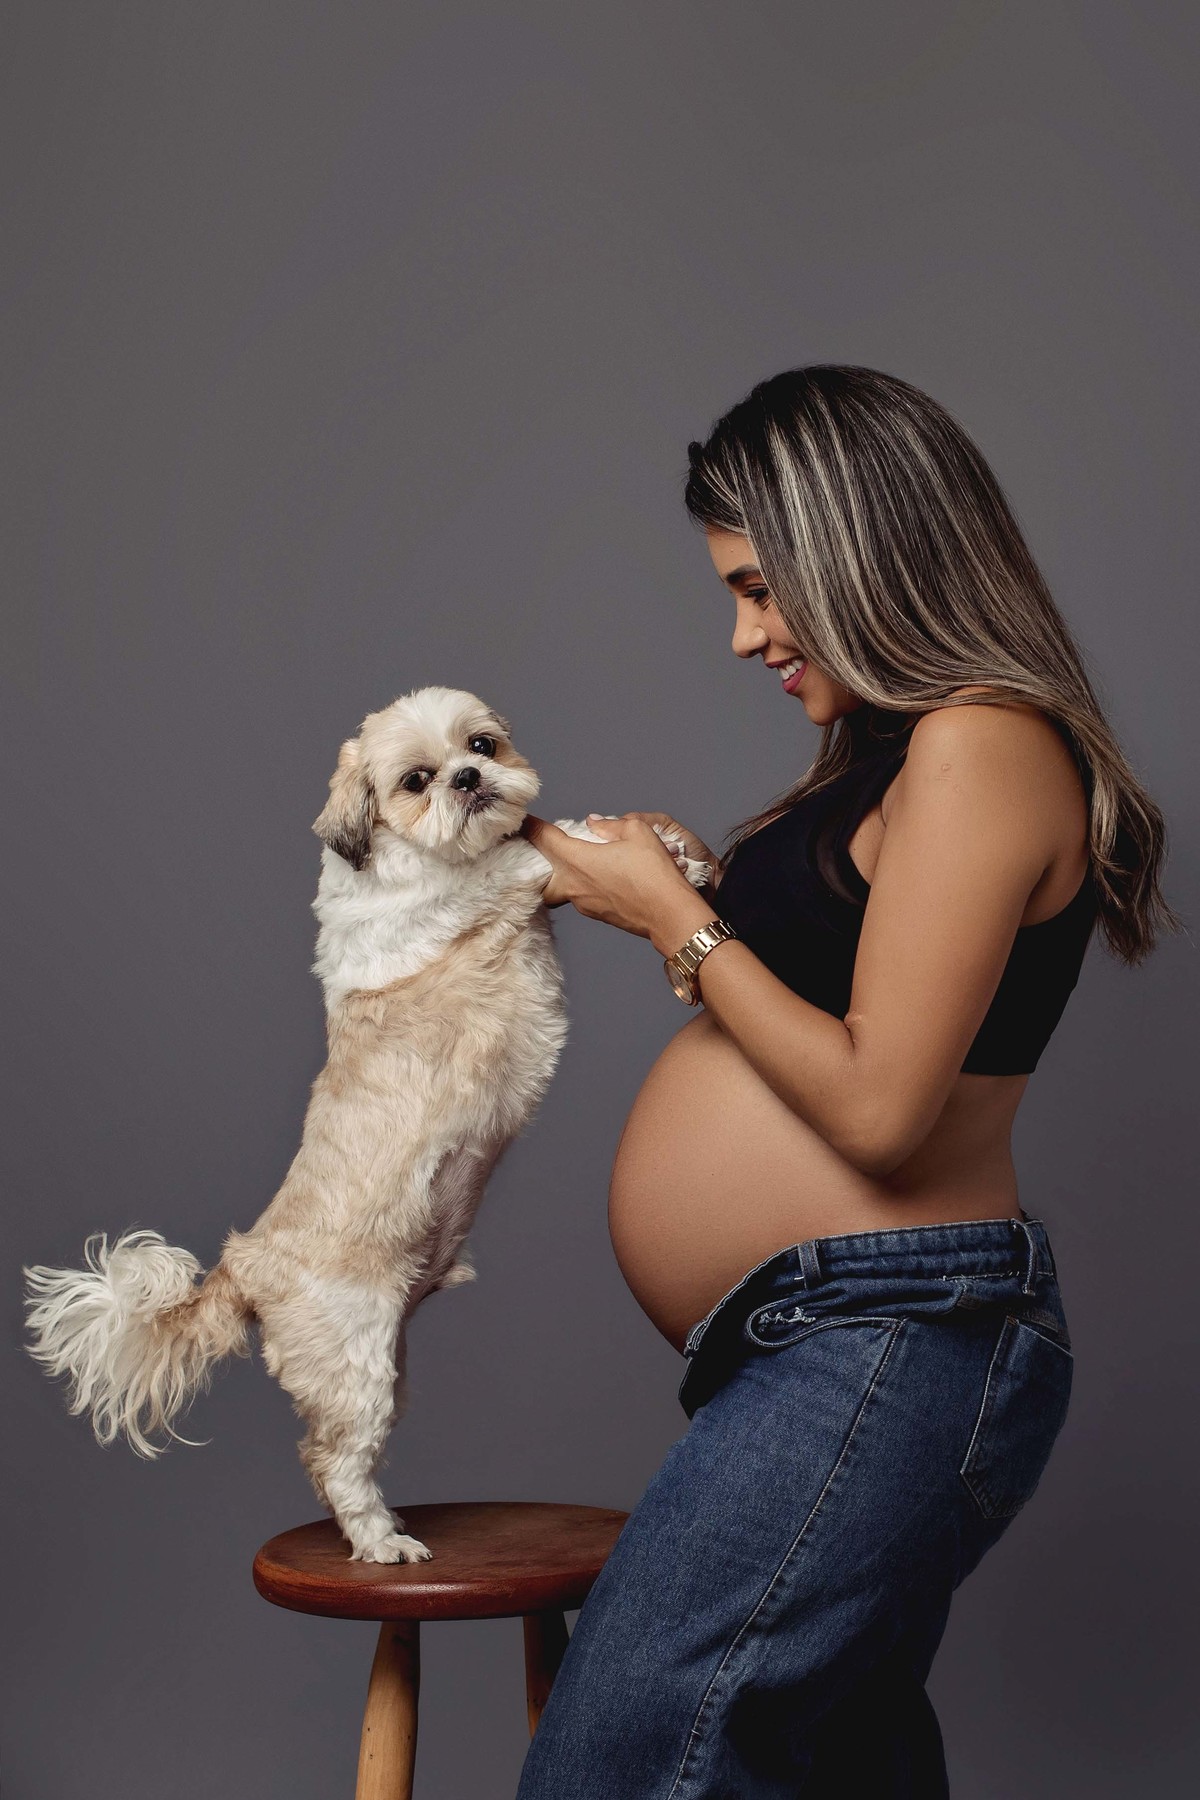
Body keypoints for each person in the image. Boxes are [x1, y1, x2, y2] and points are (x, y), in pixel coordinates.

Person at [514, 366, 1177, 1798]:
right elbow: (838, 989)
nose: (744, 636)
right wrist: (661, 882)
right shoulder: (893, 748)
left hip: (893, 1340)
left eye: (762, 588)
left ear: (857, 551)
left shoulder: (983, 743)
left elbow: (881, 1110)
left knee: (624, 1761)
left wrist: (676, 926)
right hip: (836, 1342)